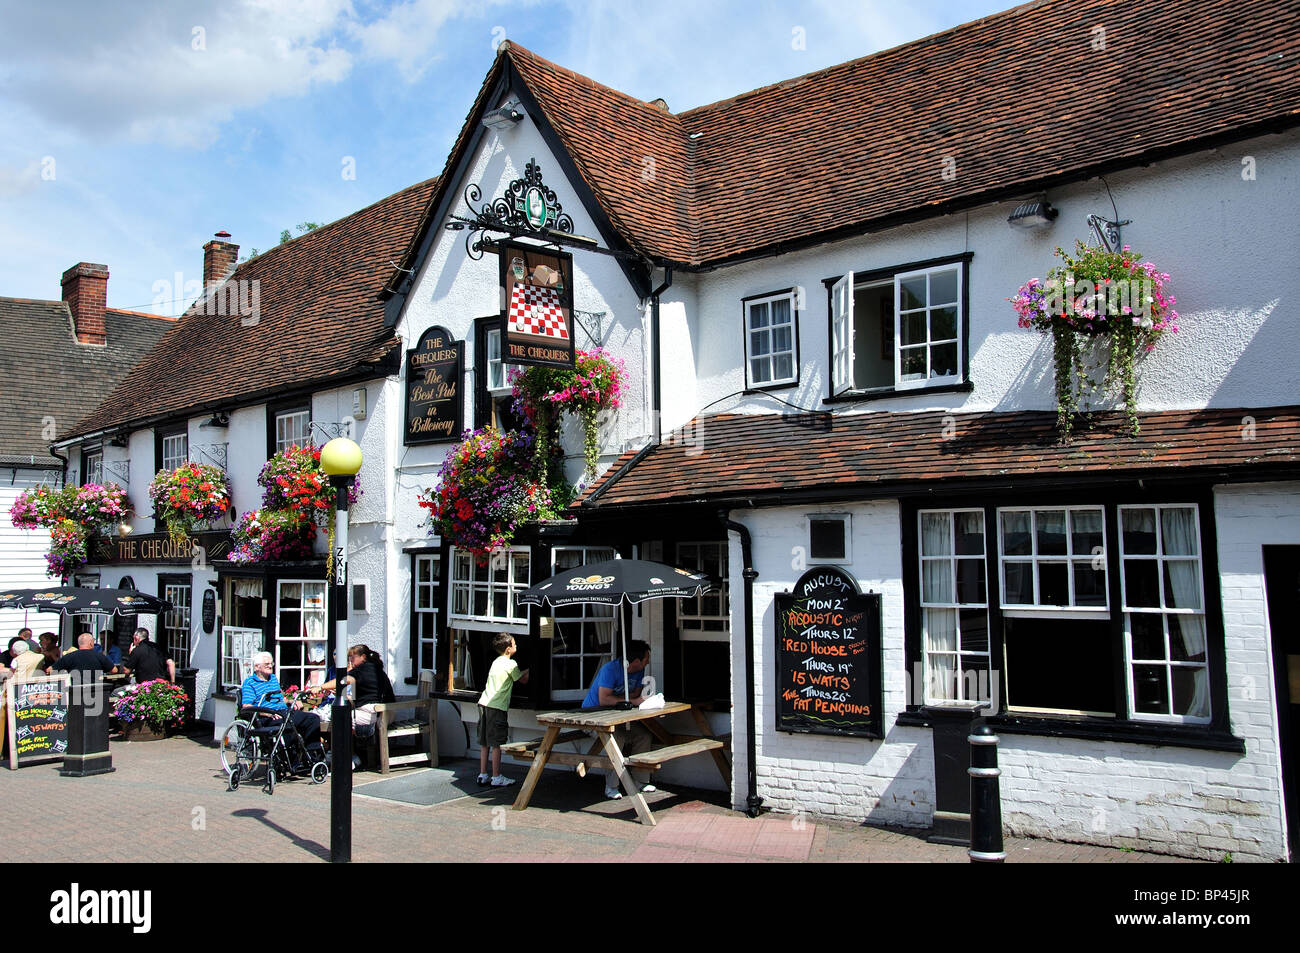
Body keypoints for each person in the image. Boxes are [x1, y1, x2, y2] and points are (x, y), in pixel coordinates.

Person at [582, 640, 656, 800]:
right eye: (646, 658)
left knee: (644, 736)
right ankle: (611, 786)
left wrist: (638, 700)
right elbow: (603, 699)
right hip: (592, 717)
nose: (648, 661)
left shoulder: (639, 671)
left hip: (618, 717)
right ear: (635, 661)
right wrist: (629, 701)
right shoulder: (610, 669)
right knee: (617, 739)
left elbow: (635, 694)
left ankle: (641, 780)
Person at [316, 644, 397, 770]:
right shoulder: (371, 669)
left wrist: (320, 687)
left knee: (340, 717)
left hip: (378, 713)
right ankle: (348, 755)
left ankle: (343, 757)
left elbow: (342, 681)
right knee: (341, 715)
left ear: (363, 657)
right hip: (379, 712)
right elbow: (353, 694)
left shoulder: (364, 670)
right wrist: (338, 693)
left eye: (352, 657)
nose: (350, 661)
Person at [239, 650, 321, 761]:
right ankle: (287, 759)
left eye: (271, 663)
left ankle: (312, 756)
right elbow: (247, 706)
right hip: (266, 717)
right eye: (266, 664)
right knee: (287, 725)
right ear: (257, 667)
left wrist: (290, 701)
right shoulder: (250, 683)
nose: (270, 666)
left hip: (283, 711)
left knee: (312, 719)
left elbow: (279, 698)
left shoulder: (273, 679)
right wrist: (266, 713)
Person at [477, 634, 528, 787]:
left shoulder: (496, 662)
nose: (516, 646)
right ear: (508, 649)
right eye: (514, 644)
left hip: (483, 703)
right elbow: (522, 679)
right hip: (497, 706)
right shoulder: (510, 664)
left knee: (485, 742)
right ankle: (496, 776)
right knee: (497, 743)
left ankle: (483, 774)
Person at [53, 631, 120, 681]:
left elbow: (50, 670)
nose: (102, 642)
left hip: (74, 691)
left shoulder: (69, 656)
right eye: (101, 639)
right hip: (95, 691)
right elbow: (114, 670)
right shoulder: (99, 655)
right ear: (91, 643)